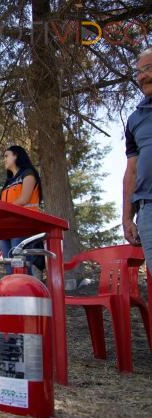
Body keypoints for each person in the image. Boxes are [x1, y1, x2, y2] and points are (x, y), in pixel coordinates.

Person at [123, 48, 152, 269]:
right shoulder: (134, 120)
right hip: (148, 208)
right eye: (139, 72)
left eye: (148, 68)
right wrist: (127, 218)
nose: (142, 76)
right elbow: (131, 171)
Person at [0, 145, 42, 275]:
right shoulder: (8, 182)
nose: (4, 159)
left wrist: (2, 208)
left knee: (20, 265)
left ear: (16, 155)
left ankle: (25, 293)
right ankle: (14, 293)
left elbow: (24, 199)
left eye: (7, 156)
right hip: (5, 228)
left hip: (23, 225)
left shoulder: (28, 173)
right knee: (8, 266)